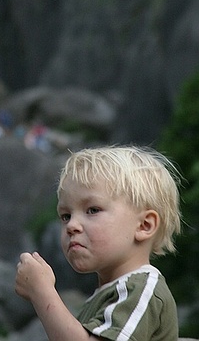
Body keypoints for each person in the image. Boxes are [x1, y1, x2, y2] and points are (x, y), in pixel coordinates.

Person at [15, 145, 181, 341]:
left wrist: (42, 292)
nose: (72, 226)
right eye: (65, 216)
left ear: (144, 225)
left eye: (93, 210)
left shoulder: (142, 290)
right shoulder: (109, 295)